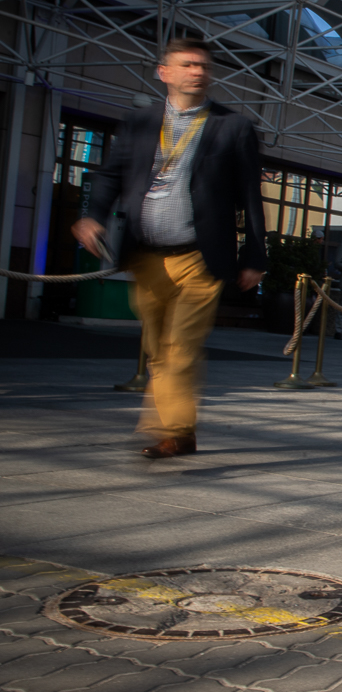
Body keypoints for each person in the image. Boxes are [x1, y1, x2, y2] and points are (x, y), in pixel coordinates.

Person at [71, 37, 267, 459]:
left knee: (181, 346)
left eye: (204, 66)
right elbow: (110, 174)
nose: (198, 72)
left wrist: (254, 257)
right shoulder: (140, 122)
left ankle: (172, 431)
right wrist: (93, 216)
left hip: (200, 256)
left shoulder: (233, 127)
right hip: (147, 256)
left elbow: (251, 196)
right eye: (188, 64)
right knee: (158, 347)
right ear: (164, 72)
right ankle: (182, 432)